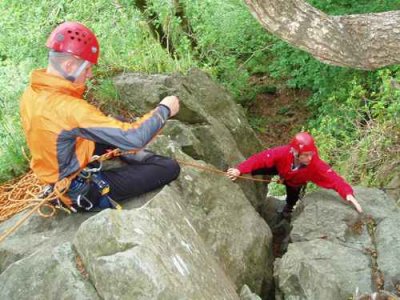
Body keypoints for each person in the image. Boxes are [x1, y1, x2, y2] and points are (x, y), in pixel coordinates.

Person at [20, 21, 180, 212]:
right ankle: (136, 159)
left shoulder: (33, 91)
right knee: (168, 167)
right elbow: (135, 137)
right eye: (87, 69)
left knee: (118, 124)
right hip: (78, 191)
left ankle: (131, 155)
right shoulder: (68, 109)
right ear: (69, 65)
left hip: (62, 165)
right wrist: (165, 109)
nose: (89, 75)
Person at [226, 132, 363, 218]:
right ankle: (252, 175)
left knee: (292, 198)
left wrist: (348, 194)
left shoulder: (315, 165)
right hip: (281, 169)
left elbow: (334, 179)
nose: (309, 158)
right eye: (306, 155)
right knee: (258, 169)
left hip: (294, 183)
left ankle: (288, 210)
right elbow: (261, 158)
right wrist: (240, 170)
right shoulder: (283, 153)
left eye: (311, 154)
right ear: (295, 153)